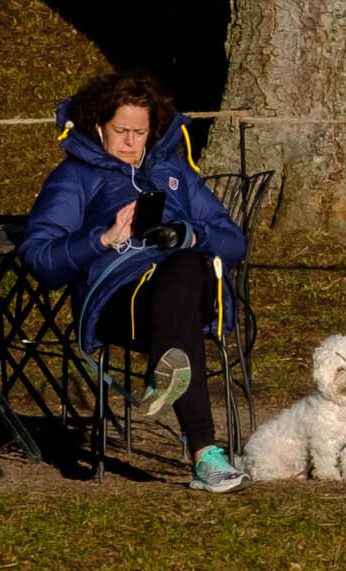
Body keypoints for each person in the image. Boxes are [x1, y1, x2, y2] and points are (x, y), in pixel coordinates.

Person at [21, 70, 250, 493]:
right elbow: (40, 257)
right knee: (182, 304)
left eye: (139, 132)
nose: (130, 142)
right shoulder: (74, 177)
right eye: (120, 131)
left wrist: (190, 233)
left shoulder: (175, 171)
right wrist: (103, 239)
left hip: (186, 290)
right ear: (97, 126)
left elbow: (234, 240)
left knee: (185, 265)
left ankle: (166, 372)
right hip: (118, 300)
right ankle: (205, 453)